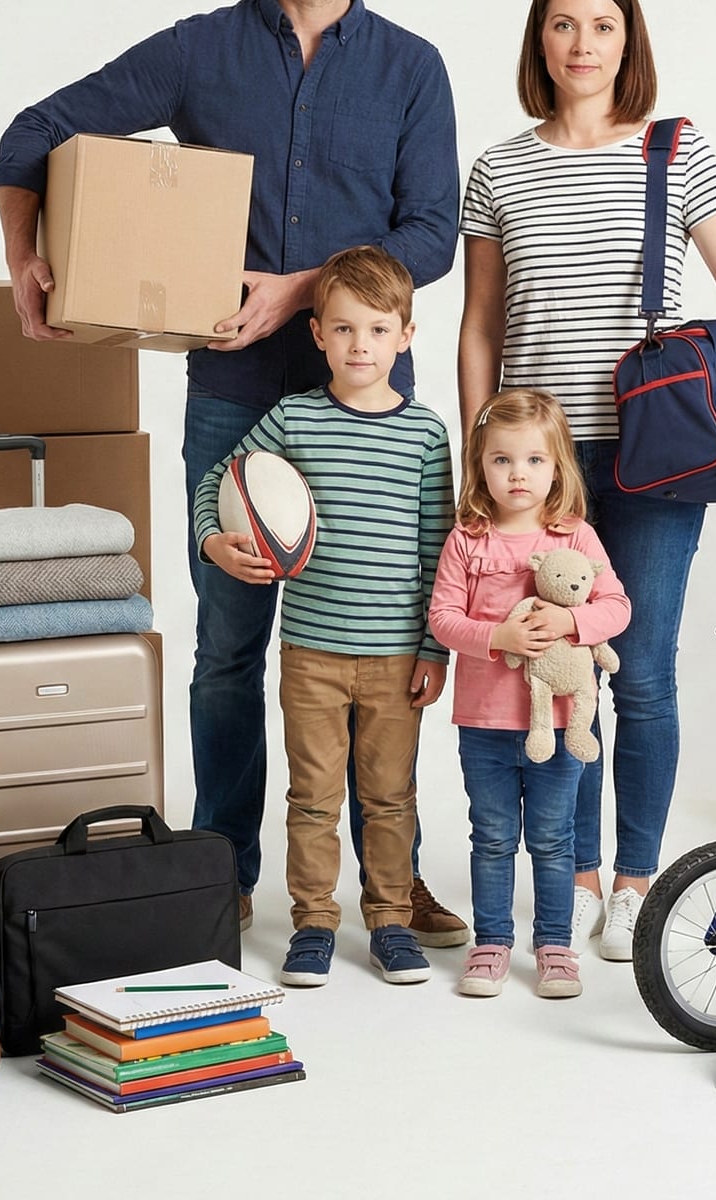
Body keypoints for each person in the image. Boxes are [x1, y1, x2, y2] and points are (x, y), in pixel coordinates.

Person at [0, 0, 467, 942]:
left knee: (380, 645)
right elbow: (32, 134)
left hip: (372, 405)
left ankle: (387, 881)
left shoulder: (412, 68)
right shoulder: (202, 52)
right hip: (236, 398)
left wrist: (304, 289)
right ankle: (225, 871)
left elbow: (431, 232)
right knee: (231, 645)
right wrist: (29, 258)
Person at [457, 0, 716, 960]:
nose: (581, 44)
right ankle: (568, 875)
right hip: (535, 468)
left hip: (655, 455)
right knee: (559, 671)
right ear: (540, 41)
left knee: (641, 668)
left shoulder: (674, 149)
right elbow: (480, 324)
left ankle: (634, 880)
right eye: (562, 25)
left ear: (628, 39)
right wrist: (477, 459)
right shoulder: (498, 168)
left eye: (601, 26)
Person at [193, 247, 454, 986]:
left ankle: (392, 920)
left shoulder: (426, 435)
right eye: (343, 330)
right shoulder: (294, 419)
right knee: (312, 797)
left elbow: (440, 551)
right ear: (316, 335)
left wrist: (435, 650)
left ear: (406, 335)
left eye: (377, 330)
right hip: (310, 652)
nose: (359, 346)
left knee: (390, 795)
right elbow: (222, 475)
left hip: (398, 658)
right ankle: (313, 922)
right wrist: (214, 538)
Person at [427, 389, 630, 1000]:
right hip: (485, 723)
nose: (518, 474)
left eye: (535, 461)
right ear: (480, 465)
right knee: (490, 836)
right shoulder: (469, 538)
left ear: (558, 467)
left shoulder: (578, 539)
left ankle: (554, 947)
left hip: (565, 723)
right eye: (502, 460)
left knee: (552, 838)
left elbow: (617, 607)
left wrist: (572, 624)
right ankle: (490, 943)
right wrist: (498, 635)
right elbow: (442, 618)